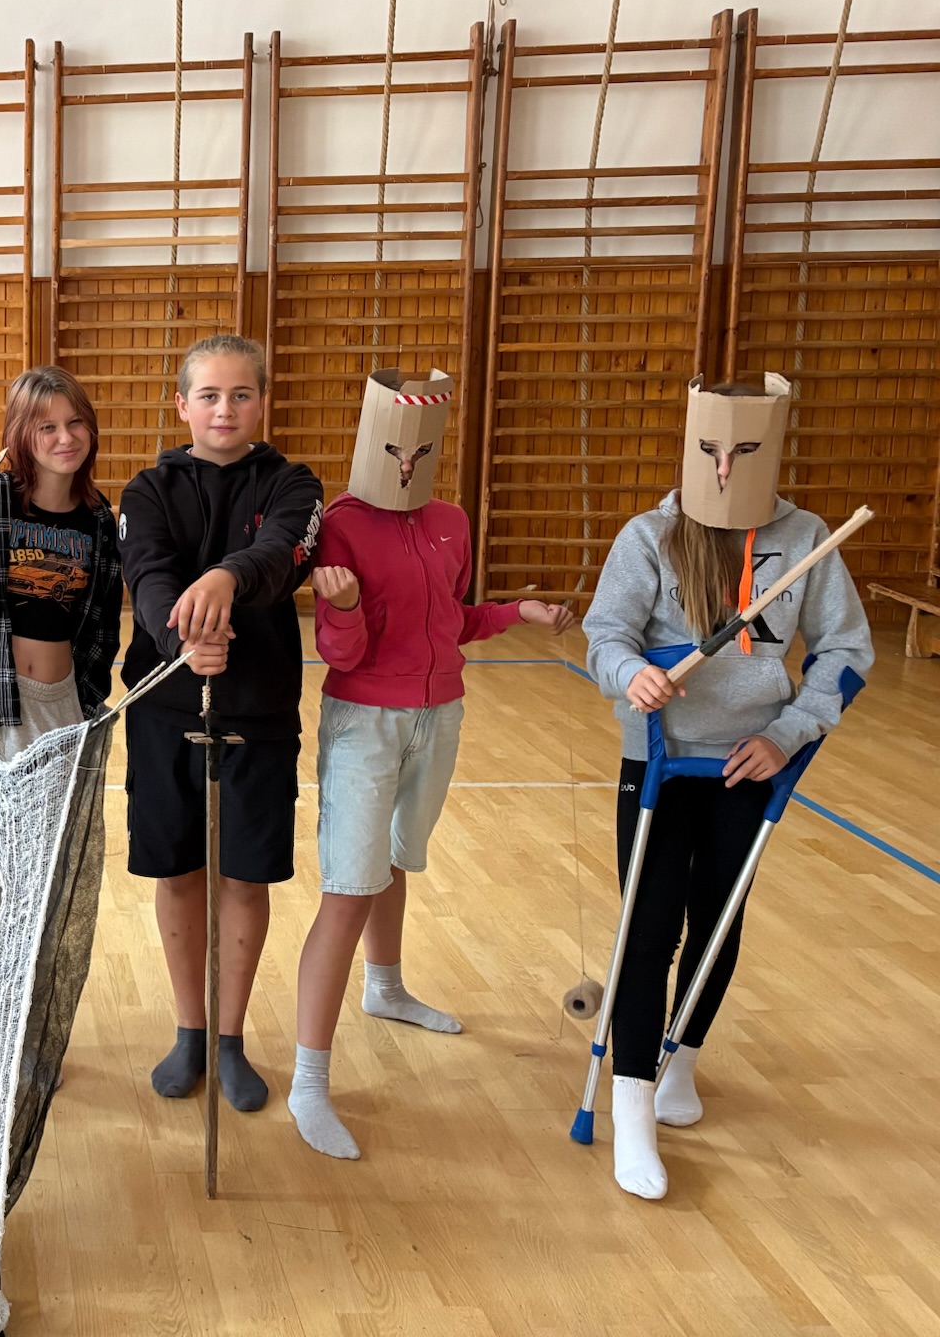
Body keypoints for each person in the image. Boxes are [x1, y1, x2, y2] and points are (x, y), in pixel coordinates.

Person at [583, 377, 871, 1200]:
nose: (721, 468)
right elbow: (606, 636)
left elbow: (847, 652)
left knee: (719, 917)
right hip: (659, 759)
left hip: (750, 761)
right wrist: (631, 673)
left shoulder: (806, 538)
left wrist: (789, 732)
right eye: (708, 450)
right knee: (648, 926)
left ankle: (681, 1058)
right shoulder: (649, 536)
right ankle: (632, 1100)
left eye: (742, 452)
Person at [290, 368, 576, 1160]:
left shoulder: (451, 521)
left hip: (440, 715)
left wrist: (518, 612)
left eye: (419, 451)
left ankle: (385, 989)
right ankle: (310, 1081)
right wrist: (343, 606)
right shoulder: (341, 525)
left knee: (394, 861)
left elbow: (450, 619)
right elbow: (340, 653)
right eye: (393, 450)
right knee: (348, 890)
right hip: (366, 722)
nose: (406, 463)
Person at [118, 333, 322, 1112]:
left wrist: (227, 577)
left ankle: (231, 1037)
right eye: (208, 395)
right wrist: (181, 639)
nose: (224, 409)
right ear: (183, 405)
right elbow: (147, 575)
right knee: (177, 870)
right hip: (167, 708)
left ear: (262, 402)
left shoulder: (294, 484)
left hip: (258, 711)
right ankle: (191, 1029)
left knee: (244, 874)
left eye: (241, 394)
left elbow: (282, 554)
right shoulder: (149, 489)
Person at [0, 366, 123, 758]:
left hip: (62, 706)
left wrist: (87, 699)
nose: (66, 437)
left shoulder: (98, 517)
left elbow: (103, 625)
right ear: (21, 434)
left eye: (75, 422)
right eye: (47, 427)